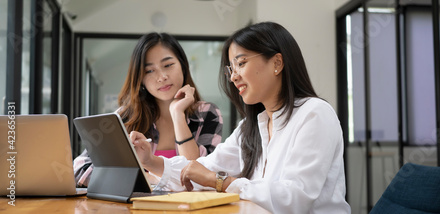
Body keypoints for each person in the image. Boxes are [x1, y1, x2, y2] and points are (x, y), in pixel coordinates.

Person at [130, 22, 350, 213]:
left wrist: (220, 182)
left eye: (241, 63)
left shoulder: (314, 114)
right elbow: (204, 169)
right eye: (231, 68)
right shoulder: (251, 126)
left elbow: (293, 200)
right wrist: (150, 161)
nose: (234, 77)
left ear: (277, 63)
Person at [73, 32, 223, 188]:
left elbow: (201, 176)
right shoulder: (126, 117)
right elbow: (79, 168)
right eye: (149, 71)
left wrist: (177, 114)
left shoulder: (208, 113)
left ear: (183, 66)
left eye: (168, 65)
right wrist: (147, 178)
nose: (161, 77)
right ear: (141, 79)